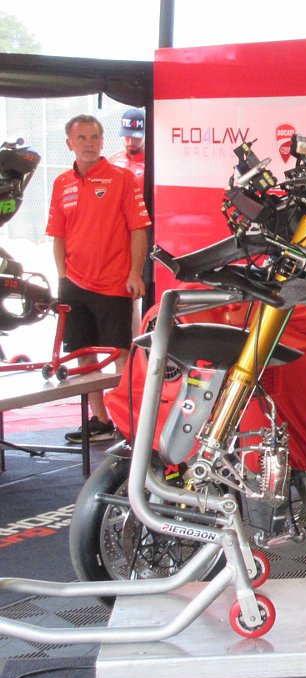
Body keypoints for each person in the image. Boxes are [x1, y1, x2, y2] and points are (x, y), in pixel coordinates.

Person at [46, 114, 151, 443]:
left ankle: (129, 424)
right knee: (82, 353)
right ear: (70, 143)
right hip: (74, 285)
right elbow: (58, 235)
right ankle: (100, 419)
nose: (89, 143)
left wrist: (135, 273)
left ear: (103, 141)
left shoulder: (122, 179)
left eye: (95, 137)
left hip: (115, 283)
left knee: (121, 354)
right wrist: (63, 275)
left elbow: (138, 230)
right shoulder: (62, 183)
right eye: (82, 138)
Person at [107, 108, 145, 185]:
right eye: (127, 136)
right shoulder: (111, 160)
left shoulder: (155, 164)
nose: (131, 141)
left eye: (136, 137)